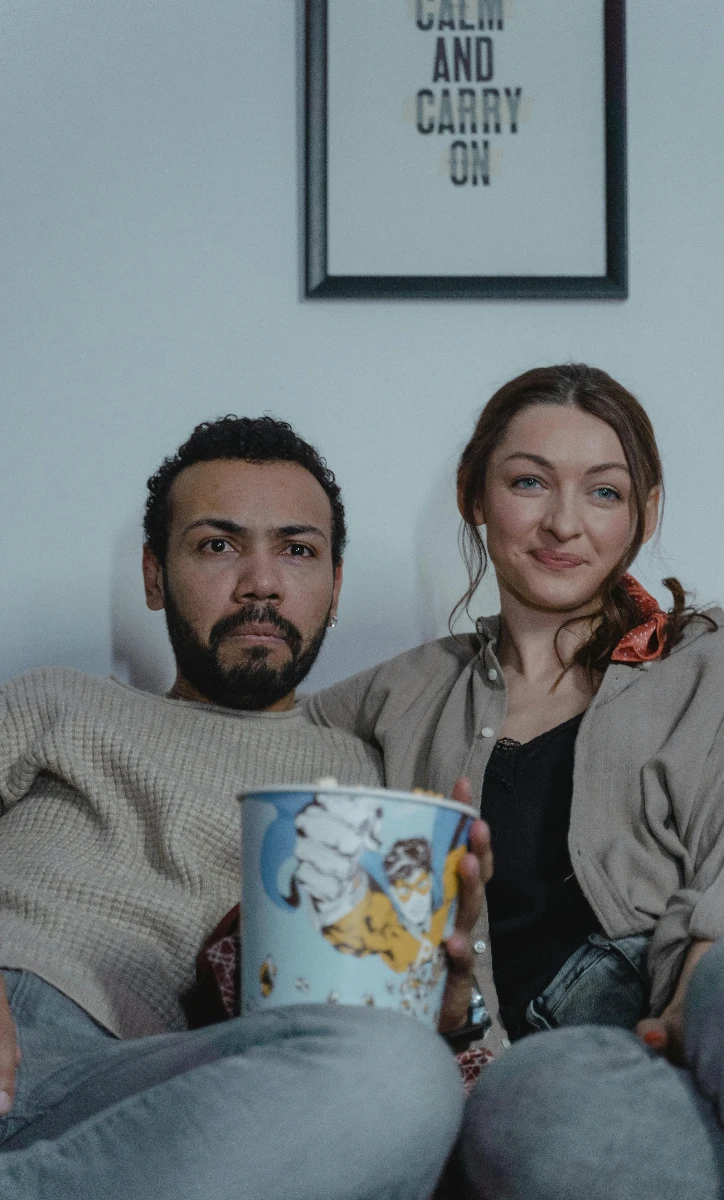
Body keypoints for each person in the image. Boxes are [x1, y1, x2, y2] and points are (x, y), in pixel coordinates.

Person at [304, 364, 724, 1198]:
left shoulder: (720, 668)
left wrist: (696, 1000)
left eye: (603, 492)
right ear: (474, 494)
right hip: (569, 1067)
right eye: (529, 482)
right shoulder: (398, 696)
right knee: (535, 1103)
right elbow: (244, 743)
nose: (564, 523)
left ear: (645, 513)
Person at [0, 415, 491, 1200]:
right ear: (154, 576)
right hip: (18, 999)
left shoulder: (369, 784)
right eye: (217, 546)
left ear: (335, 588)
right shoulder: (57, 701)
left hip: (158, 1094)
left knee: (401, 1075)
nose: (260, 582)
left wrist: (448, 1011)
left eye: (297, 551)